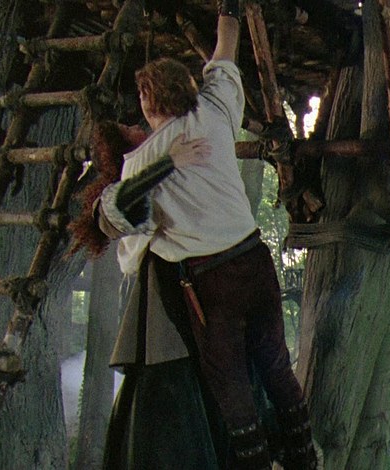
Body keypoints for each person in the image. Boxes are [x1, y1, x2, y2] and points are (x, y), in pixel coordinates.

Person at [83, 3, 319, 469]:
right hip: (254, 261)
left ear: (147, 100)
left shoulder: (141, 162)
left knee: (230, 384)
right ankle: (305, 460)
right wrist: (230, 8)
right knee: (276, 366)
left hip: (212, 284)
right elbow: (225, 49)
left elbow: (111, 216)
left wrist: (167, 164)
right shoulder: (213, 109)